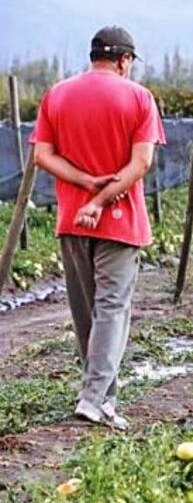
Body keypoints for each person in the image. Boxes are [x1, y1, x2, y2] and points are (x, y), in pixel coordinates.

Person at [30, 26, 165, 430]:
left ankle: (104, 400)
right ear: (124, 60)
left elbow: (42, 156)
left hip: (72, 220)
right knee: (112, 309)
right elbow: (141, 163)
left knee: (86, 311)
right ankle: (92, 399)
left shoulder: (57, 94)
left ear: (93, 57)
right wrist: (102, 199)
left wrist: (86, 186)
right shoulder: (139, 98)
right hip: (119, 221)